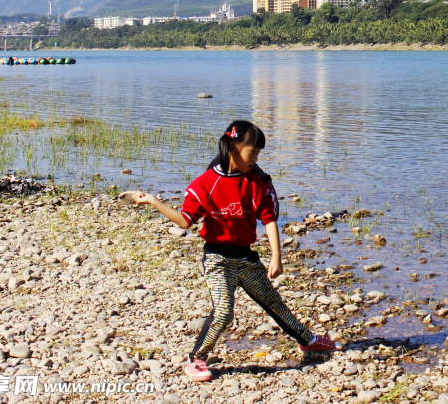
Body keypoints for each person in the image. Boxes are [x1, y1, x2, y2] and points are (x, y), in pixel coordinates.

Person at [131, 121, 341, 383]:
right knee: (224, 311)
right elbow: (185, 221)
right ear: (232, 149)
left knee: (274, 303)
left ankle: (308, 341)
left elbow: (269, 220)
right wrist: (153, 201)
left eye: (258, 154)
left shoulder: (256, 183)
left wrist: (277, 256)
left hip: (246, 258)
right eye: (251, 152)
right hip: (217, 259)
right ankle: (196, 358)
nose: (255, 159)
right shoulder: (206, 183)